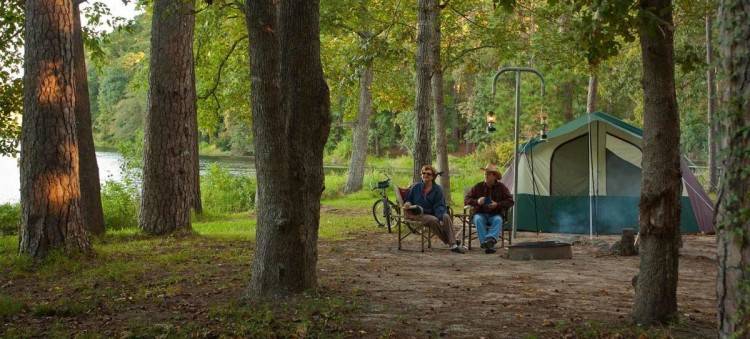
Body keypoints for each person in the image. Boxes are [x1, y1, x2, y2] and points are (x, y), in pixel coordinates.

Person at [403, 165, 463, 253]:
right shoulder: (415, 187)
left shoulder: (437, 189)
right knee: (433, 220)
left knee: (446, 216)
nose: (425, 175)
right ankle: (452, 242)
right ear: (421, 175)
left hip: (433, 212)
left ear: (433, 177)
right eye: (423, 173)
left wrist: (441, 217)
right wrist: (408, 203)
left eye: (428, 174)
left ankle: (452, 243)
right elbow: (408, 199)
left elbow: (439, 205)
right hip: (417, 213)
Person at [464, 164, 514, 254]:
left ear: (494, 176)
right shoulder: (478, 186)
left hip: (495, 214)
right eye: (485, 174)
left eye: (488, 174)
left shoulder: (501, 187)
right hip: (480, 213)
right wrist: (477, 201)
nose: (485, 176)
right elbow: (466, 199)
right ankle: (487, 244)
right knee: (478, 219)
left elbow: (511, 201)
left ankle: (488, 241)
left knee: (498, 220)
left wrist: (497, 204)